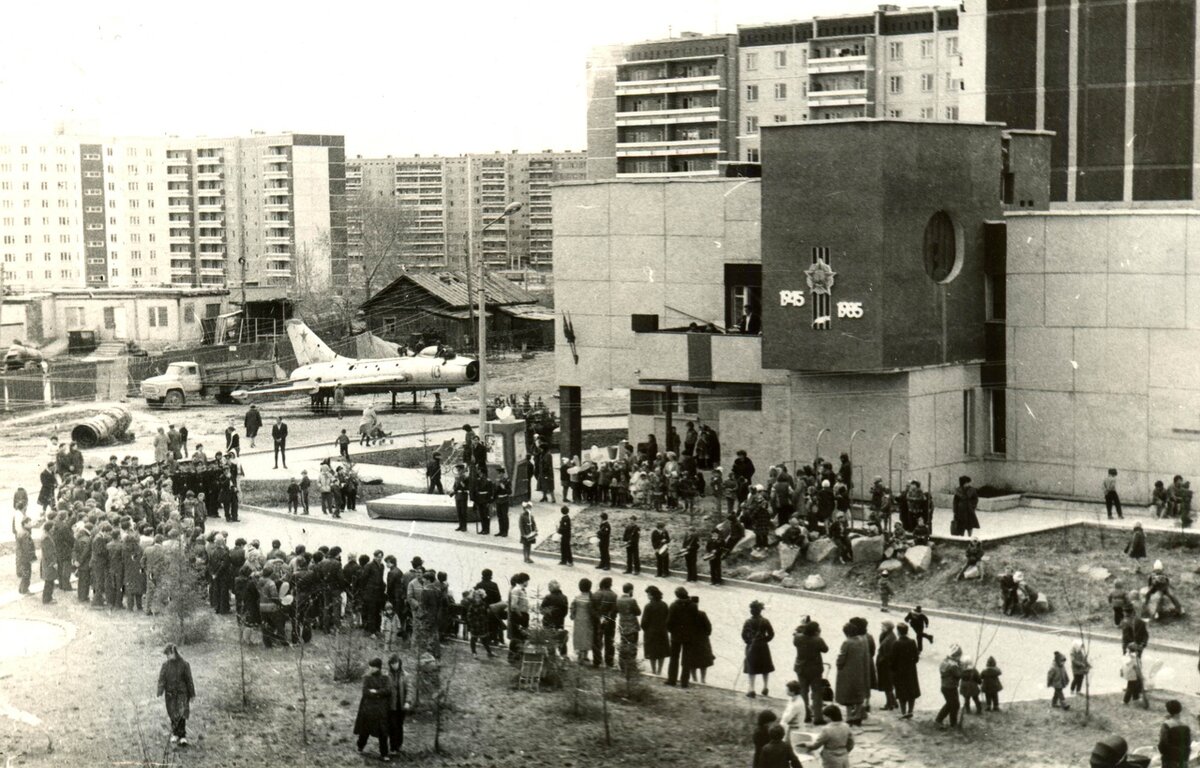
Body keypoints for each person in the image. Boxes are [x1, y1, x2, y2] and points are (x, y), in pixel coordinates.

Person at [157, 644, 196, 747]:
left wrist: (192, 694)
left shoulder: (184, 665)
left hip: (182, 693)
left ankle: (182, 736)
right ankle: (175, 733)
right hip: (170, 694)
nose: (167, 656)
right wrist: (160, 690)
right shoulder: (165, 665)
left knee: (181, 713)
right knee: (172, 713)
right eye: (166, 655)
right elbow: (162, 678)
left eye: (168, 654)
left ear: (174, 652)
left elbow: (189, 680)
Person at [354, 658, 392, 762]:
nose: (370, 668)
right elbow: (365, 692)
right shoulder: (367, 678)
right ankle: (360, 747)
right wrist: (379, 693)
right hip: (368, 708)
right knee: (364, 730)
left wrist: (375, 692)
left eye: (372, 667)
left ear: (378, 667)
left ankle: (384, 754)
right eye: (370, 666)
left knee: (383, 732)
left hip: (381, 710)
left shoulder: (385, 678)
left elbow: (388, 691)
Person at [665, 586, 697, 688]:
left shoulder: (674, 605)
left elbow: (669, 621)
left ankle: (672, 679)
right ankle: (684, 682)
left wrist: (671, 631)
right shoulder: (693, 606)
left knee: (674, 658)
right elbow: (695, 621)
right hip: (688, 636)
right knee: (686, 659)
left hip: (676, 635)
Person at [743, 600, 776, 698]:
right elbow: (771, 634)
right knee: (765, 667)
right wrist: (765, 640)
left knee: (751, 667)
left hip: (752, 646)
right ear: (760, 610)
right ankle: (765, 687)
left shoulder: (748, 622)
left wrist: (749, 641)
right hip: (763, 646)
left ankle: (752, 689)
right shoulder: (765, 621)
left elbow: (743, 634)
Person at [892, 624, 920, 719]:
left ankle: (903, 712)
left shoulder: (896, 643)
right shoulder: (912, 642)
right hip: (911, 671)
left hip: (900, 671)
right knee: (911, 691)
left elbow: (893, 660)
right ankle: (910, 711)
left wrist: (893, 670)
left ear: (898, 632)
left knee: (901, 692)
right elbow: (916, 658)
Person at [641, 585, 670, 675]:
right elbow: (668, 618)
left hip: (651, 633)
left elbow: (644, 622)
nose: (647, 596)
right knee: (661, 652)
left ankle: (653, 670)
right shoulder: (664, 604)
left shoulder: (648, 606)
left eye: (648, 594)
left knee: (652, 652)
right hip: (662, 632)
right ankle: (659, 670)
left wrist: (646, 630)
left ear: (652, 595)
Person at [934, 645, 963, 728]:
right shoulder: (954, 666)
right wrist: (961, 666)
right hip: (951, 687)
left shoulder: (945, 661)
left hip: (945, 686)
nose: (960, 658)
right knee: (954, 705)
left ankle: (946, 721)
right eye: (959, 656)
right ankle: (946, 721)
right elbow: (960, 674)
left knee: (951, 704)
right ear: (956, 655)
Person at [1158, 700, 1192, 768]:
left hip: (1171, 761)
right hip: (1183, 759)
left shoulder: (1166, 725)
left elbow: (1162, 745)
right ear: (1180, 709)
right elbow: (1188, 743)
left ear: (1168, 711)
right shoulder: (1186, 726)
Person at [386, 655, 407, 758]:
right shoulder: (387, 675)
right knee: (392, 726)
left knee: (399, 725)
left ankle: (399, 746)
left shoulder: (405, 675)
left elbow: (410, 689)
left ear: (399, 663)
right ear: (390, 664)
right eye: (392, 664)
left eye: (396, 663)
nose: (394, 665)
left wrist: (408, 702)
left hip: (401, 705)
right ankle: (393, 747)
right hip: (391, 706)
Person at [570, 578, 595, 664]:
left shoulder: (577, 597)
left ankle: (580, 653)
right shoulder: (590, 598)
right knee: (587, 636)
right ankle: (585, 654)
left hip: (578, 619)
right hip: (588, 620)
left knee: (579, 635)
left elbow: (572, 607)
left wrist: (572, 615)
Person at [779, 680, 808, 752]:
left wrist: (782, 722)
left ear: (793, 691)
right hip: (792, 728)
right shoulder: (794, 699)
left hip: (796, 731)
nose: (786, 690)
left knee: (792, 751)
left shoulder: (796, 704)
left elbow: (786, 719)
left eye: (787, 689)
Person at [876, 621, 897, 711]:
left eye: (883, 626)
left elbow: (887, 654)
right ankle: (893, 702)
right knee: (888, 684)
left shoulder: (889, 639)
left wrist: (880, 661)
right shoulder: (889, 636)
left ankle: (889, 704)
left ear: (888, 627)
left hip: (886, 665)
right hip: (886, 664)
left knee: (887, 685)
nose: (881, 627)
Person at [493, 468, 511, 537]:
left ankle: (505, 531)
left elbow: (509, 492)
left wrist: (504, 487)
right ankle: (501, 531)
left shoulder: (507, 481)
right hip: (498, 500)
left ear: (503, 474)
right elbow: (495, 492)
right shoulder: (497, 481)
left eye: (500, 473)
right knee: (499, 516)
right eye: (498, 473)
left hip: (504, 500)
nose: (499, 475)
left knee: (504, 516)